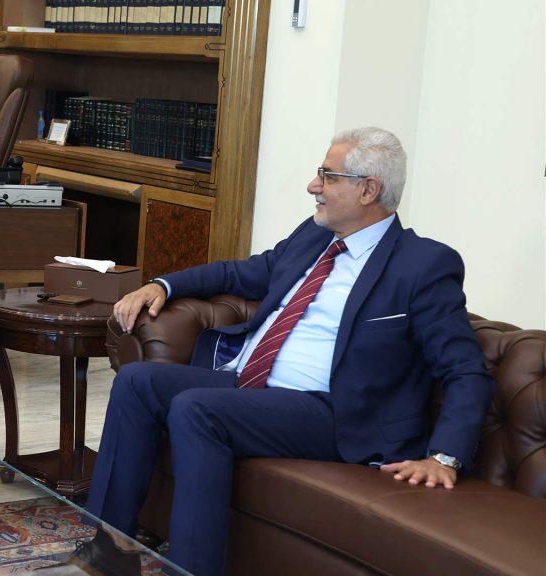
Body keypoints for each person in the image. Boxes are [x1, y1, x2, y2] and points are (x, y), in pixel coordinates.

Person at [85, 127, 494, 575]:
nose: (313, 185)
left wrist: (444, 456)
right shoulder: (314, 238)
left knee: (196, 409)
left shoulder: (423, 264)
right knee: (137, 381)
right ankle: (109, 551)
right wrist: (163, 284)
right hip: (252, 385)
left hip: (335, 413)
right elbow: (242, 273)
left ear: (368, 190)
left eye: (328, 176)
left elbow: (465, 368)